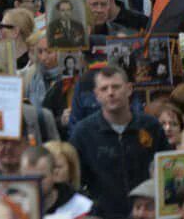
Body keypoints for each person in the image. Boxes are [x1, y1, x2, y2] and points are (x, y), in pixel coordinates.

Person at [70, 66, 170, 218]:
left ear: (129, 89)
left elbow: (167, 169)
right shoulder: (83, 133)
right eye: (104, 89)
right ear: (96, 95)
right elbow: (74, 181)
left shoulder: (151, 127)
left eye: (116, 87)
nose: (110, 93)